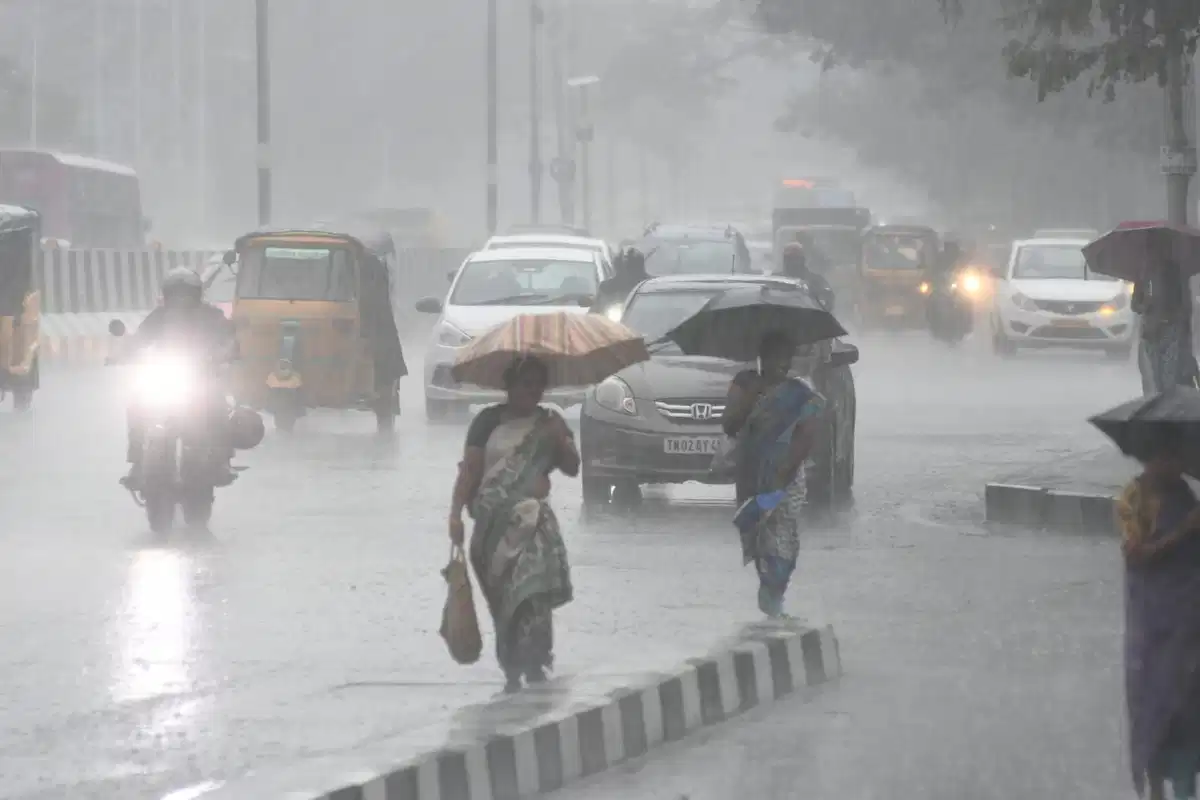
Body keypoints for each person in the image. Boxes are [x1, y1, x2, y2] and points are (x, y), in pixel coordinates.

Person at [448, 355, 579, 692]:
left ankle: (535, 663)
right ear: (509, 386)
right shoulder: (487, 422)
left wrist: (561, 440)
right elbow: (470, 472)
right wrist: (454, 514)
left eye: (538, 386)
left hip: (533, 525)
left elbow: (572, 467)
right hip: (493, 530)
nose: (532, 392)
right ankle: (511, 669)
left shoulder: (549, 422)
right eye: (525, 384)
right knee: (504, 603)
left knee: (532, 595)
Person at [1114, 429, 1200, 799]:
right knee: (1152, 705)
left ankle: (1184, 787)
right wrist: (1184, 529)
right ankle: (1156, 790)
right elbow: (1136, 555)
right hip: (1152, 622)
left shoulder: (1183, 493)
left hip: (1187, 621)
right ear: (1154, 458)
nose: (1181, 466)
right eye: (1174, 458)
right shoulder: (1133, 498)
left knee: (1187, 705)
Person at [720, 331, 826, 618]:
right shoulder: (745, 384)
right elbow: (729, 425)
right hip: (751, 474)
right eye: (773, 357)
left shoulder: (800, 393)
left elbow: (807, 436)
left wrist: (782, 474)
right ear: (762, 357)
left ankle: (774, 595)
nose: (780, 363)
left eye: (785, 358)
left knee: (783, 538)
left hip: (786, 478)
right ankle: (769, 594)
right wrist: (751, 396)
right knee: (757, 537)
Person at [121, 267, 239, 488]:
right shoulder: (159, 316)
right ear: (167, 294)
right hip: (165, 375)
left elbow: (229, 338)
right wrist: (124, 352)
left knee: (218, 407)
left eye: (186, 293)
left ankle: (222, 461)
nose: (181, 298)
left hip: (202, 377)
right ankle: (137, 462)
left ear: (197, 294)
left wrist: (225, 352)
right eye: (176, 293)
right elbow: (140, 338)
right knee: (137, 405)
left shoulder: (212, 316)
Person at [1134, 231, 1198, 395]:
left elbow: (1185, 306)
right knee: (1153, 378)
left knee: (1168, 380)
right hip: (1150, 334)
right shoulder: (1142, 274)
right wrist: (1145, 305)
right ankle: (1156, 407)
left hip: (1170, 331)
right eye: (1149, 249)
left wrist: (1170, 317)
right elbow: (1135, 304)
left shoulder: (1175, 272)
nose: (1151, 253)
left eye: (1155, 248)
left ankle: (1165, 407)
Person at [778, 242, 834, 312]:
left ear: (803, 260)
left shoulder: (816, 281)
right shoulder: (776, 280)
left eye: (796, 258)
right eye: (789, 259)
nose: (792, 262)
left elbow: (827, 302)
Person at [590, 248, 649, 314]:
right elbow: (594, 312)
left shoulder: (649, 287)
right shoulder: (606, 288)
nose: (628, 272)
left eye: (631, 267)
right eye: (625, 267)